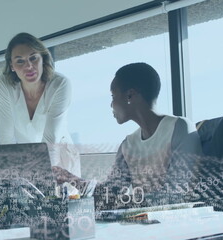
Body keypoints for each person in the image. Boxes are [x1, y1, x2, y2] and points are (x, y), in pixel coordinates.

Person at [54, 62, 203, 209]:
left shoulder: (180, 128)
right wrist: (70, 178)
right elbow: (109, 193)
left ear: (130, 95)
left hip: (182, 227)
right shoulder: (128, 144)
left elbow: (175, 196)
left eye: (113, 96)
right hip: (146, 225)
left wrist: (121, 202)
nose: (111, 105)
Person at [0, 32, 80, 176]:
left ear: (43, 59)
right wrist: (4, 178)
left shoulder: (60, 84)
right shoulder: (4, 85)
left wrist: (41, 178)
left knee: (59, 196)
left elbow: (50, 140)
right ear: (12, 65)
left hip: (60, 156)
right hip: (24, 159)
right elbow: (5, 140)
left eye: (33, 58)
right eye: (20, 61)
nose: (29, 66)